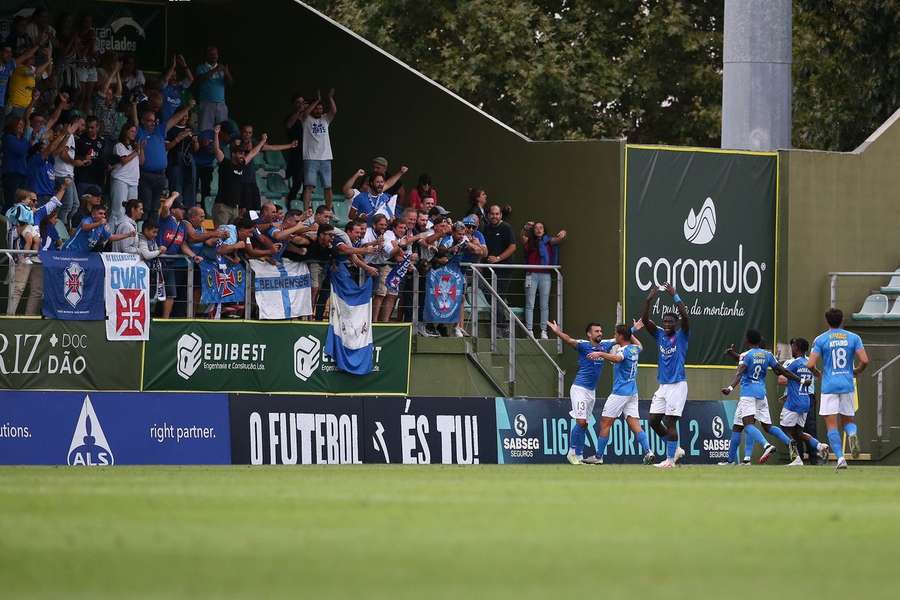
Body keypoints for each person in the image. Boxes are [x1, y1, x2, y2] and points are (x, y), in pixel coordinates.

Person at [721, 329, 804, 466]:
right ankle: (789, 442)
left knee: (747, 425)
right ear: (759, 341)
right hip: (761, 394)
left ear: (747, 341)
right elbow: (781, 370)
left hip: (748, 395)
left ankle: (766, 446)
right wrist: (799, 380)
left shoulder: (747, 355)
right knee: (766, 427)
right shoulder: (767, 355)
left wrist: (730, 388)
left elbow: (740, 371)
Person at [581, 322, 655, 465]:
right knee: (635, 424)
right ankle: (648, 452)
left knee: (605, 423)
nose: (614, 336)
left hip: (620, 393)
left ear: (621, 336)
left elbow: (617, 358)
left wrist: (600, 353)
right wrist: (631, 332)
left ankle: (598, 456)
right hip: (632, 393)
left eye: (616, 334)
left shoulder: (622, 351)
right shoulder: (635, 349)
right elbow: (641, 346)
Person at [807, 308, 869, 469]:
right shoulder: (854, 338)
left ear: (827, 321)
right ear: (842, 320)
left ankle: (841, 459)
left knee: (832, 425)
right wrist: (856, 371)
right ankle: (852, 434)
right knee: (848, 420)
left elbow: (810, 364)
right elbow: (865, 360)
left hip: (829, 386)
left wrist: (818, 373)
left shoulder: (821, 339)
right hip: (847, 384)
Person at [547, 320, 615, 465]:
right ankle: (571, 452)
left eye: (601, 331)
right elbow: (569, 340)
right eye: (596, 331)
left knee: (585, 424)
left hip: (591, 392)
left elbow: (620, 338)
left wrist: (636, 328)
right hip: (579, 389)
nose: (600, 333)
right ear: (589, 334)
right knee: (581, 421)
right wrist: (557, 331)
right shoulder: (584, 345)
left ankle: (579, 455)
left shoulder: (605, 345)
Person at [638, 283, 689, 468]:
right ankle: (675, 450)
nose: (667, 324)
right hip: (663, 385)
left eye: (671, 321)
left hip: (678, 384)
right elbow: (645, 320)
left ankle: (669, 460)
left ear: (676, 324)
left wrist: (675, 296)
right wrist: (649, 299)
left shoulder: (682, 335)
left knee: (670, 421)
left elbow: (685, 316)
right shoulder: (659, 335)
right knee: (653, 420)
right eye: (665, 321)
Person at [134, 97, 195, 218]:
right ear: (143, 121)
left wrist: (188, 107)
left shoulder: (159, 131)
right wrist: (133, 106)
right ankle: (143, 233)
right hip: (145, 175)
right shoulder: (140, 132)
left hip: (161, 175)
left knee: (156, 207)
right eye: (149, 120)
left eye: (153, 120)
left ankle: (152, 233)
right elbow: (135, 121)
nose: (152, 122)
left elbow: (174, 119)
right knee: (145, 206)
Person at [777, 337, 830, 466]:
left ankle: (796, 459)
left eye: (793, 347)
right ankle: (819, 446)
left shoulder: (795, 363)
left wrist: (775, 362)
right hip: (806, 400)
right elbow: (817, 375)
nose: (792, 349)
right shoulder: (809, 364)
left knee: (784, 429)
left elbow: (782, 374)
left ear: (797, 348)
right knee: (798, 432)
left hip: (793, 402)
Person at [210, 124, 266, 226]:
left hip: (235, 208)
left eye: (243, 154)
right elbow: (217, 149)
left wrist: (262, 142)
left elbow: (253, 153)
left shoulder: (242, 165)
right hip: (222, 206)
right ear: (233, 154)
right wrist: (216, 134)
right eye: (240, 153)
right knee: (220, 234)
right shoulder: (225, 163)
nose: (242, 156)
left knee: (232, 235)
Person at [521, 221, 566, 339]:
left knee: (544, 305)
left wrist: (562, 234)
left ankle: (543, 331)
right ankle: (529, 330)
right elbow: (523, 237)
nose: (538, 230)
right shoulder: (529, 242)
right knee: (529, 303)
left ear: (544, 230)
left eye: (541, 227)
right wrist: (525, 227)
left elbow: (558, 239)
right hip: (531, 274)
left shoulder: (548, 241)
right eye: (536, 228)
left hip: (545, 275)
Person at [300, 89, 336, 211]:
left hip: (326, 157)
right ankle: (306, 212)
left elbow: (334, 111)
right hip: (310, 158)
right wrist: (317, 100)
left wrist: (330, 98)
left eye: (320, 108)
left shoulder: (325, 119)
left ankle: (329, 211)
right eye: (316, 108)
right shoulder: (306, 120)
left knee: (328, 187)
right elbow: (305, 113)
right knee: (309, 186)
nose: (318, 110)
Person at [483, 204, 517, 334]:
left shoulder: (506, 227)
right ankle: (500, 324)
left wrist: (498, 258)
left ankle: (502, 326)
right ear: (488, 215)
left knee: (499, 297)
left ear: (501, 215)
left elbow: (513, 247)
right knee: (492, 297)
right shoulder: (486, 228)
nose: (494, 216)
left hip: (504, 269)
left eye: (497, 214)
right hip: (487, 270)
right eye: (492, 214)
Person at [109, 122, 143, 226]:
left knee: (132, 211)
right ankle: (110, 237)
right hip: (121, 179)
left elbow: (142, 162)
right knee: (118, 210)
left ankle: (127, 234)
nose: (134, 134)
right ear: (125, 131)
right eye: (131, 131)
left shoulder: (134, 148)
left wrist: (141, 149)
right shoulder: (119, 145)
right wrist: (136, 152)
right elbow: (123, 160)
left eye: (135, 132)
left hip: (133, 181)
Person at [62, 203, 130, 252]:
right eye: (100, 213)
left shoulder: (101, 226)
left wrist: (128, 234)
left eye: (104, 214)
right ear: (93, 214)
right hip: (70, 250)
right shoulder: (87, 219)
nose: (103, 216)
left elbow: (111, 237)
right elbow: (85, 227)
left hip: (82, 255)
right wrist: (99, 223)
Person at [194, 47, 232, 131]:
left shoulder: (222, 68)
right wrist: (215, 69)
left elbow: (230, 83)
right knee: (205, 129)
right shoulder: (201, 67)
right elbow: (200, 79)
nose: (214, 56)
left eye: (216, 54)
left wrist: (226, 72)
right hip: (206, 103)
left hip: (221, 103)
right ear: (207, 56)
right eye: (211, 54)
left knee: (223, 130)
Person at [165, 111, 199, 207]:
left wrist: (195, 142)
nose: (184, 118)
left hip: (189, 160)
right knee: (176, 186)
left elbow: (196, 149)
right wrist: (178, 138)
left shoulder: (191, 129)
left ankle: (189, 210)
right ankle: (177, 208)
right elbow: (166, 147)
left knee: (190, 185)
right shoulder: (171, 129)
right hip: (175, 160)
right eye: (182, 116)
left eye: (186, 116)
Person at [2, 115, 30, 212]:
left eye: (22, 124)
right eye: (19, 124)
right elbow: (21, 150)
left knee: (20, 203)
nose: (21, 126)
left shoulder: (21, 140)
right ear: (13, 125)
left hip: (21, 174)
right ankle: (5, 225)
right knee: (11, 202)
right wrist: (26, 139)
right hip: (12, 174)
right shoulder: (8, 138)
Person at [284, 93, 307, 203]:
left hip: (308, 153)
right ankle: (289, 202)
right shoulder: (291, 117)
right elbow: (288, 125)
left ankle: (302, 205)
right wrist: (298, 111)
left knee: (308, 183)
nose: (301, 105)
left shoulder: (307, 117)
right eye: (298, 102)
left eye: (302, 102)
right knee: (297, 182)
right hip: (296, 153)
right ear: (294, 104)